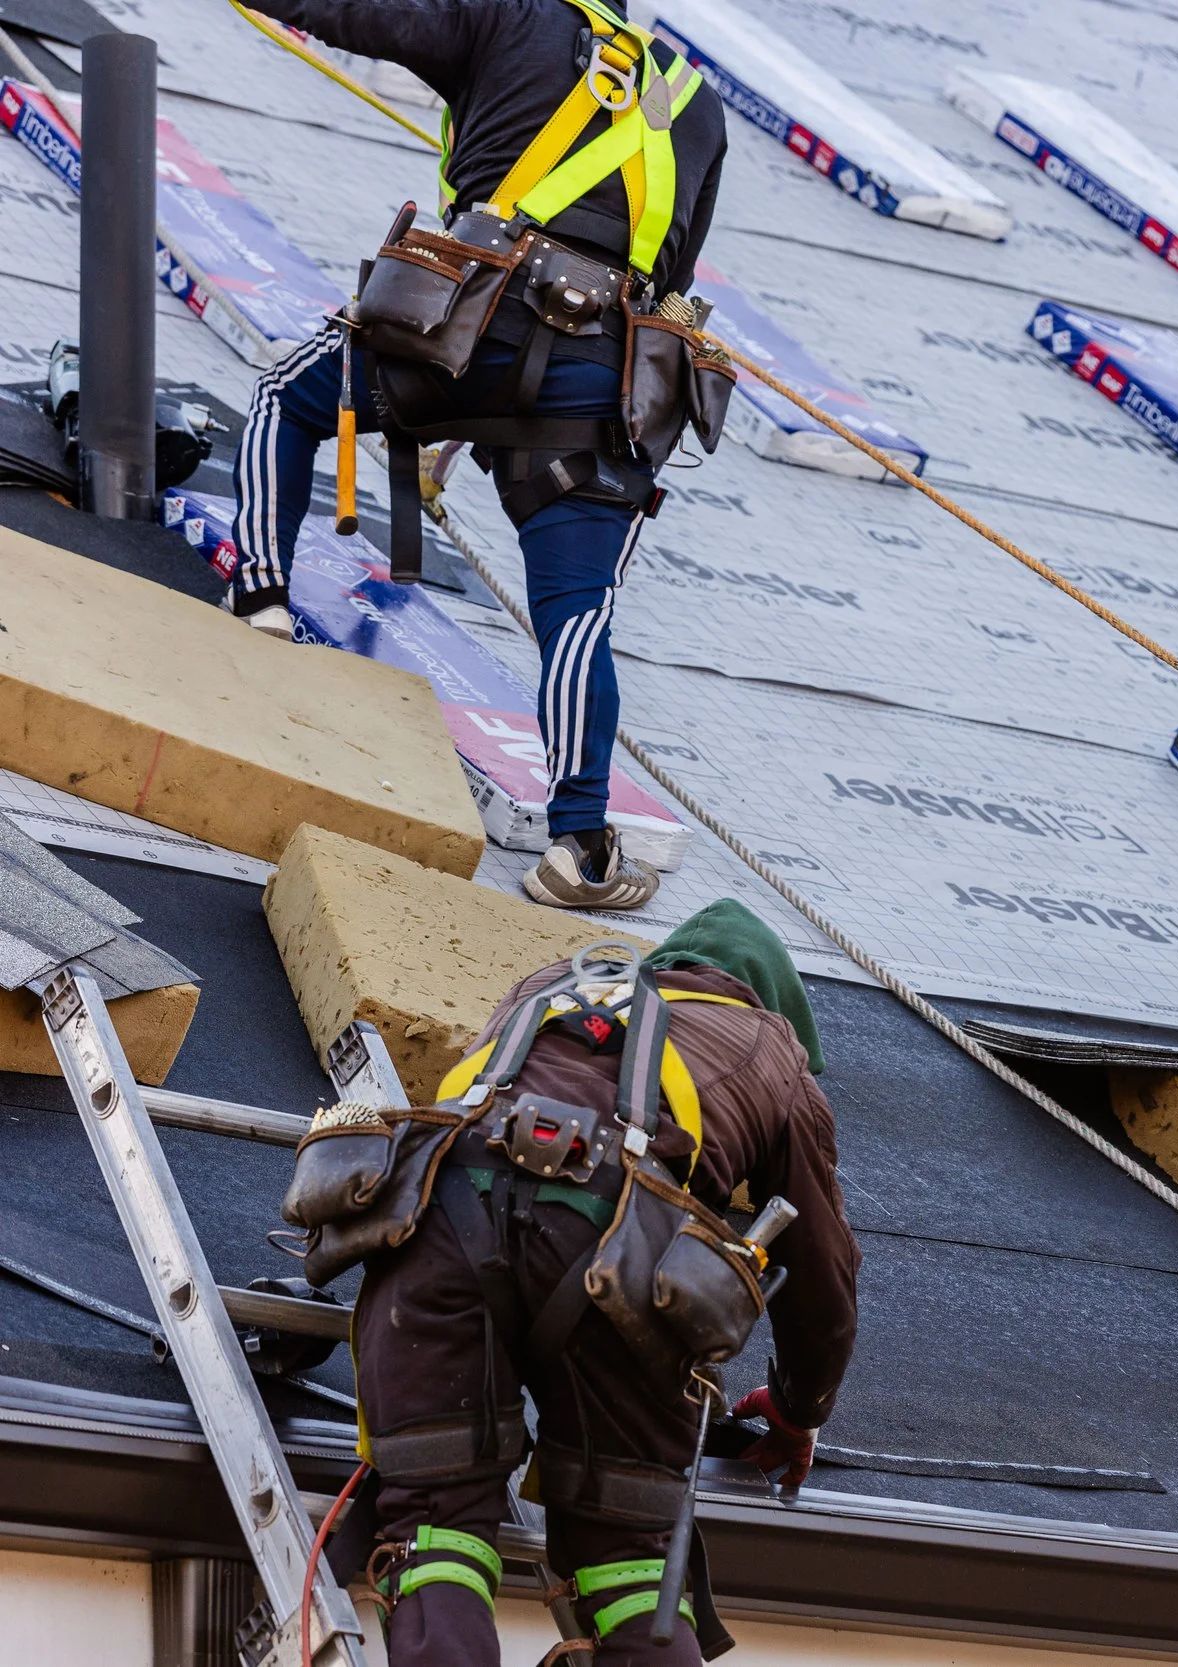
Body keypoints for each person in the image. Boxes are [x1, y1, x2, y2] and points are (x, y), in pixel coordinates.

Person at [231, 0, 731, 910]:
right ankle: (579, 846)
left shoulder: (513, 15)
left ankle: (261, 595)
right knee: (578, 611)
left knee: (290, 397)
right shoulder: (695, 100)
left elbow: (350, 13)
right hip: (599, 383)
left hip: (461, 329)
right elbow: (675, 283)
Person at [348, 900, 859, 1664]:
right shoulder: (772, 1047)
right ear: (767, 1001)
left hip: (437, 1231)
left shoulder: (553, 985)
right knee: (634, 1568)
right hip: (618, 1278)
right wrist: (796, 1410)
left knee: (437, 1532)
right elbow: (823, 1279)